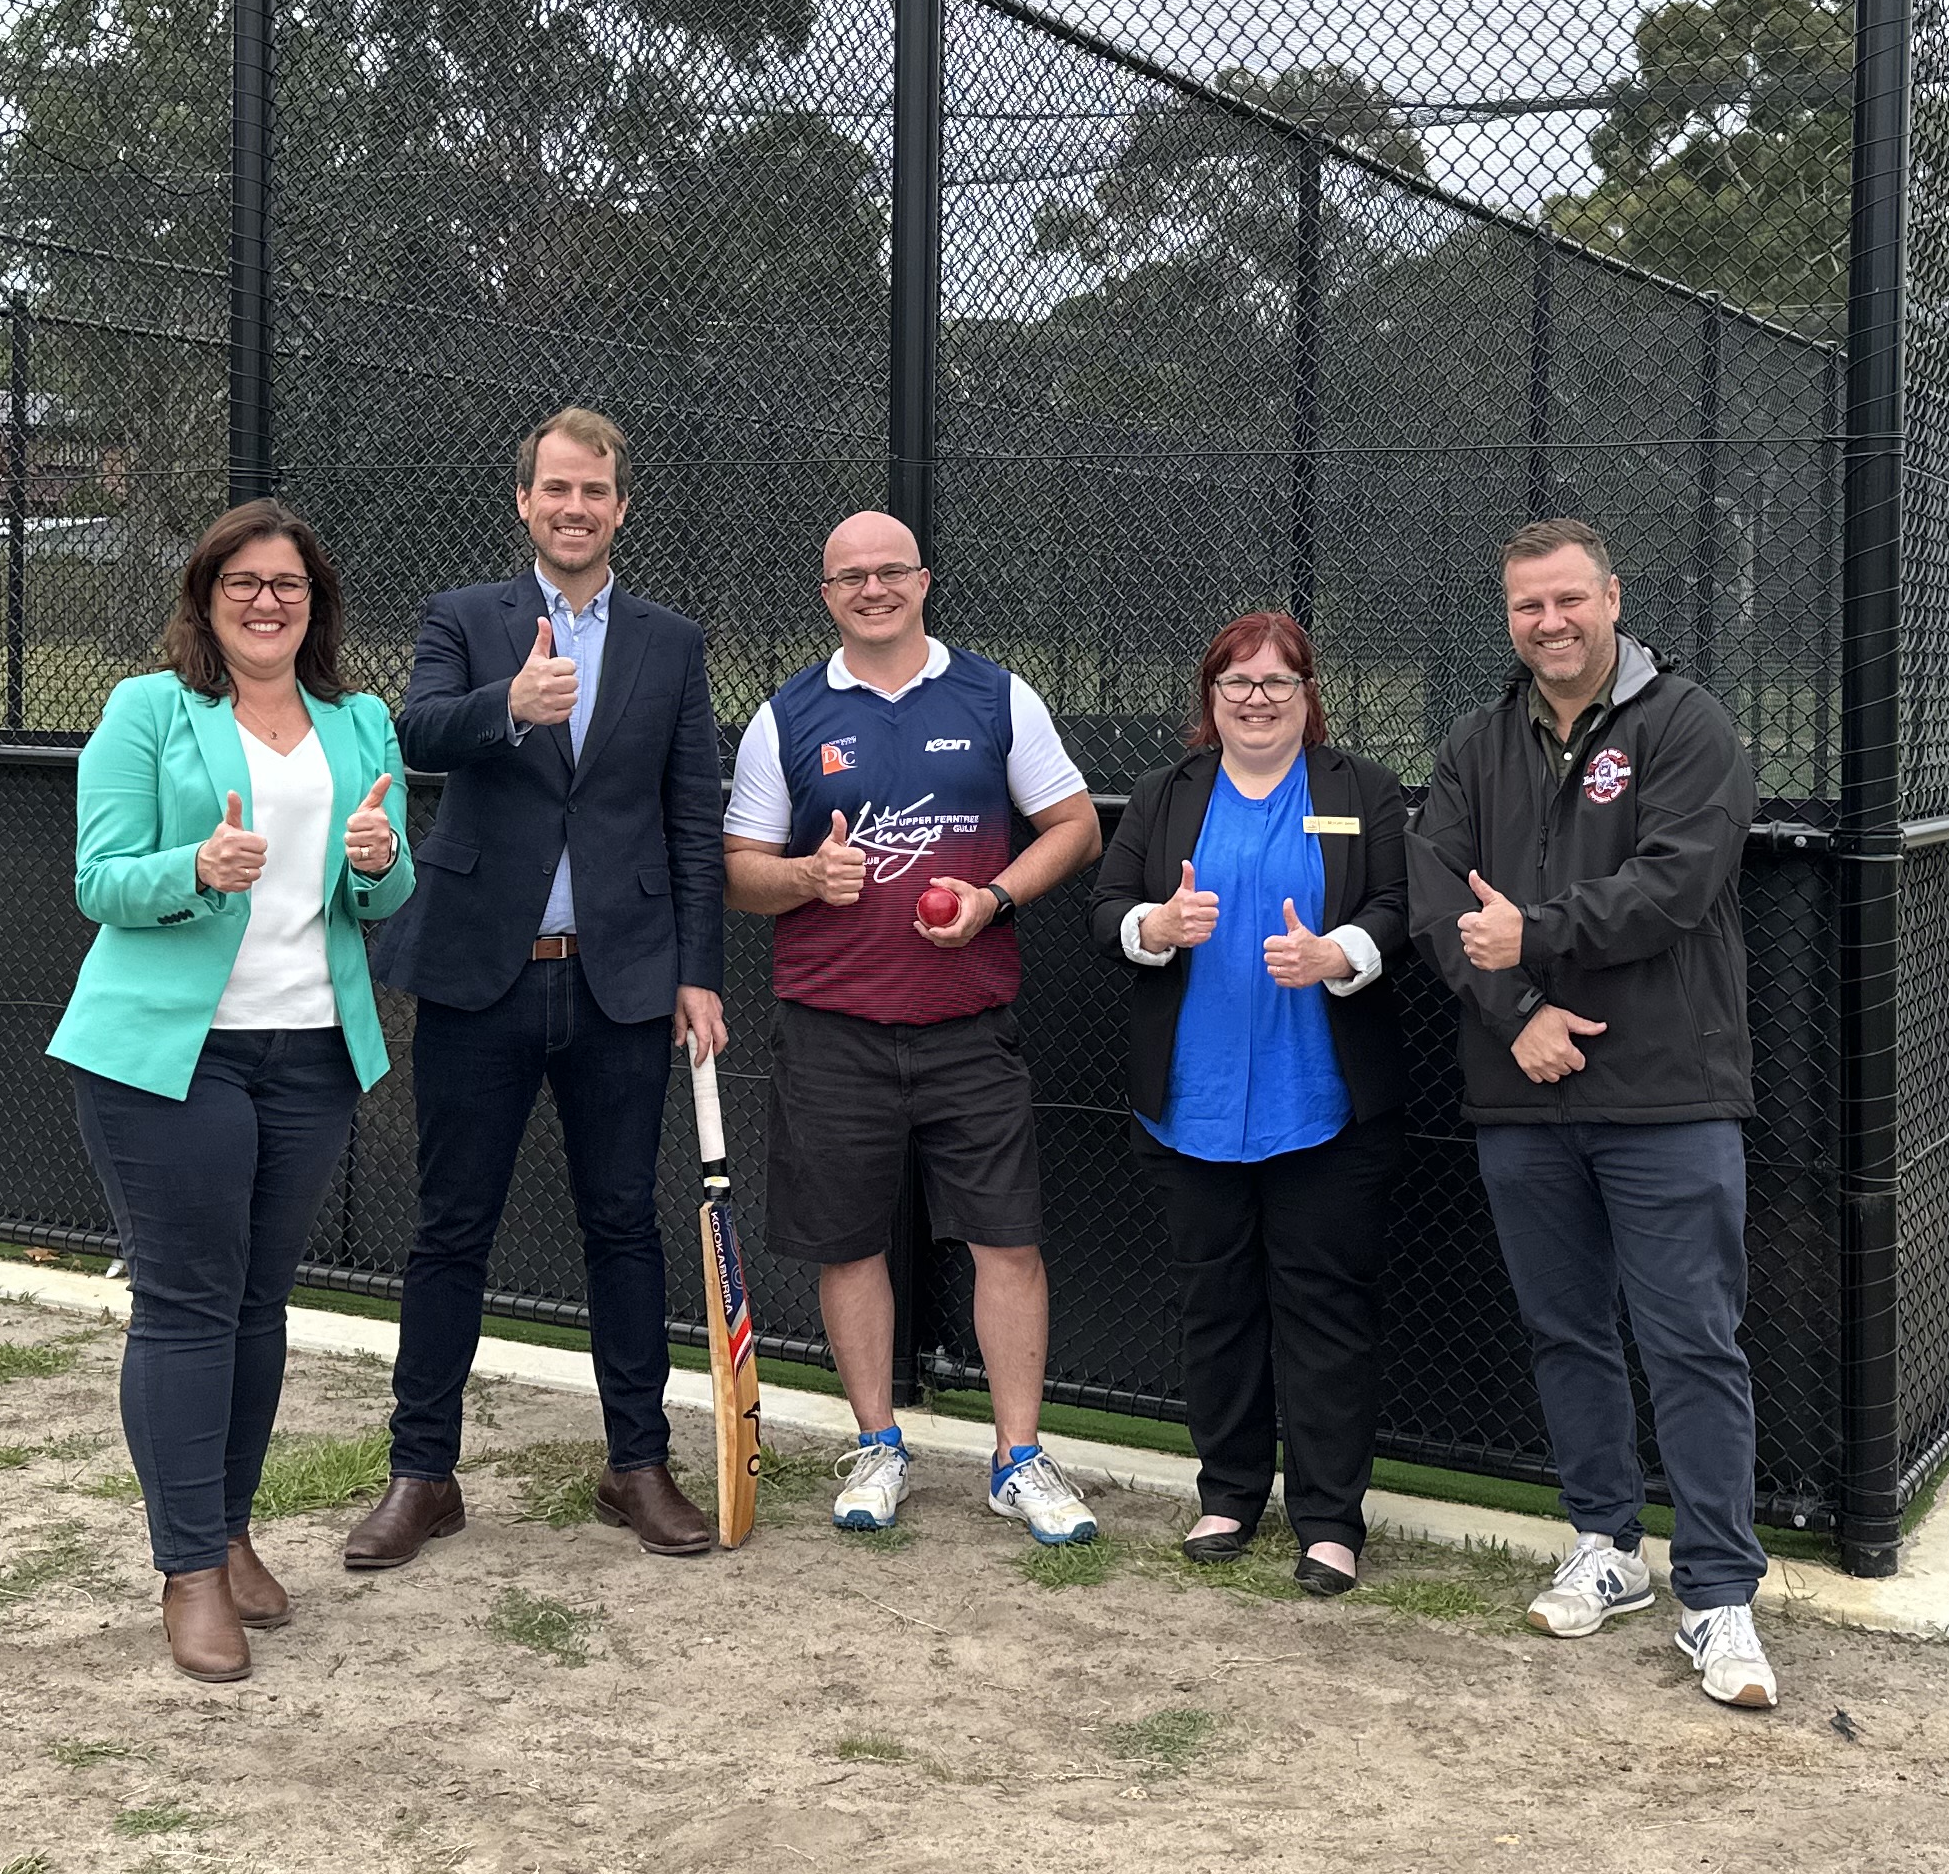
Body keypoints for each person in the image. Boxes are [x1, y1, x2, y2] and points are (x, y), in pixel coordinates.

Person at [345, 410, 730, 1570]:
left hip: (620, 984)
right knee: (451, 1227)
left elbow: (693, 823)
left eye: (595, 491)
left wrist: (699, 973)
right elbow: (415, 732)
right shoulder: (467, 619)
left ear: (622, 507)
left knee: (624, 1226)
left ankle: (636, 1464)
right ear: (524, 502)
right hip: (479, 979)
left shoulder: (671, 642)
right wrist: (507, 707)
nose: (575, 508)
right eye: (556, 489)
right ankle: (423, 1474)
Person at [1409, 517, 1778, 1712]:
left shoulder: (1688, 724)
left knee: (1690, 1342)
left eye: (1570, 601)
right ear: (1507, 617)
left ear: (1613, 597)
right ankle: (1606, 1545)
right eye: (1528, 608)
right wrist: (1517, 1011)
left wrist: (1537, 934)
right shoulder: (1475, 743)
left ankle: (1718, 1596)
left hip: (1669, 1095)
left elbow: (1677, 885)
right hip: (1522, 1090)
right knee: (1565, 1331)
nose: (1551, 625)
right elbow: (1433, 900)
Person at [48, 500, 414, 1684]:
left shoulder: (361, 722)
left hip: (309, 1054)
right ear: (207, 598)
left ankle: (234, 1530)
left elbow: (382, 892)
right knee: (188, 1304)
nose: (268, 603)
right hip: (171, 1057)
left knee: (260, 1305)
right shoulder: (148, 709)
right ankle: (188, 1568)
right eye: (245, 584)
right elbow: (100, 880)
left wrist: (380, 863)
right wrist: (196, 868)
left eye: (290, 587)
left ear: (317, 605)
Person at [719, 511, 1106, 1545]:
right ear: (827, 594)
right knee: (848, 1247)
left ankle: (1017, 1458)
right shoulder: (786, 717)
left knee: (1008, 1242)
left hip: (967, 1027)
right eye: (851, 576)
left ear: (925, 581)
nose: (874, 589)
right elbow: (740, 870)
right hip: (833, 1029)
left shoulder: (994, 696)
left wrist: (994, 900)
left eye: (892, 571)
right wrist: (806, 875)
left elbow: (1076, 826)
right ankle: (879, 1443)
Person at [1088, 613, 1410, 1596]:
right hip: (1194, 1107)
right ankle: (1227, 1493)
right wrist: (1159, 923)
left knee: (1324, 1314)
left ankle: (1328, 1522)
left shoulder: (1364, 792)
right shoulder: (1164, 795)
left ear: (1310, 695)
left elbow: (1400, 908)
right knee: (1215, 1311)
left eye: (1278, 682)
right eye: (1237, 684)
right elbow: (1106, 909)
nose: (1258, 699)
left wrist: (1338, 954)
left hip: (1322, 1107)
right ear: (1210, 700)